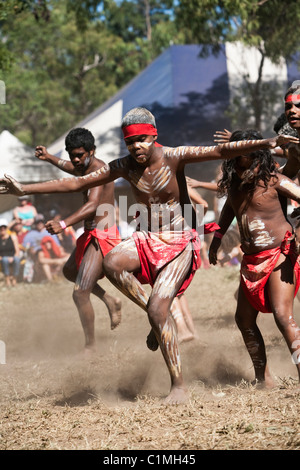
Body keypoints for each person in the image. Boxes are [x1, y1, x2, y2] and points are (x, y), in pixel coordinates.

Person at [0, 108, 297, 404]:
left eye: (141, 139)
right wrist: (24, 188)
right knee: (112, 262)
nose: (136, 147)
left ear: (154, 136)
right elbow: (76, 182)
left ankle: (178, 385)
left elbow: (219, 150)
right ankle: (155, 315)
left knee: (161, 309)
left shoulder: (175, 156)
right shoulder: (124, 166)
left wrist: (267, 142)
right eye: (130, 142)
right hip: (147, 239)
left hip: (180, 243)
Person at [209, 129, 300, 389]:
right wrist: (217, 239)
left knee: (283, 317)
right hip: (250, 260)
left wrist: (298, 237)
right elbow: (229, 208)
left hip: (278, 256)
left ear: (258, 155)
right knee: (243, 319)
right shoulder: (236, 184)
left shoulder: (275, 180)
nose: (240, 164)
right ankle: (263, 379)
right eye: (236, 158)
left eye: (245, 157)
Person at [34, 128, 122, 353]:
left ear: (91, 151)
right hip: (91, 232)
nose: (75, 159)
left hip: (103, 234)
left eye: (80, 155)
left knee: (80, 292)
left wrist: (64, 224)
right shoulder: (84, 165)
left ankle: (90, 347)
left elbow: (93, 205)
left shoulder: (99, 170)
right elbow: (70, 167)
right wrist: (49, 157)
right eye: (72, 154)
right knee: (70, 272)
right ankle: (110, 300)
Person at [0, 218, 21, 287]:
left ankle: (15, 277)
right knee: (5, 260)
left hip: (13, 256)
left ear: (6, 228)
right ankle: (7, 278)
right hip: (3, 258)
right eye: (1, 228)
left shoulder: (12, 236)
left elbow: (17, 250)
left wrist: (13, 257)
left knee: (17, 259)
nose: (2, 229)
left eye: (4, 227)